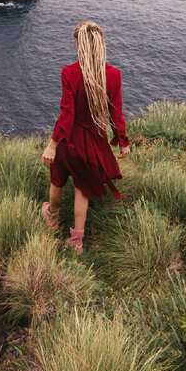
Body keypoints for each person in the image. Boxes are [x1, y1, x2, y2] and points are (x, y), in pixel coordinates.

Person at [40, 20, 130, 253]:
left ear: (77, 43)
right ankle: (76, 242)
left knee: (57, 179)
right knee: (82, 190)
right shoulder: (114, 75)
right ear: (100, 44)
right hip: (94, 144)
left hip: (69, 141)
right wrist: (123, 142)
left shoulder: (69, 72)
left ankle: (52, 217)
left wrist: (52, 144)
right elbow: (116, 114)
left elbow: (68, 114)